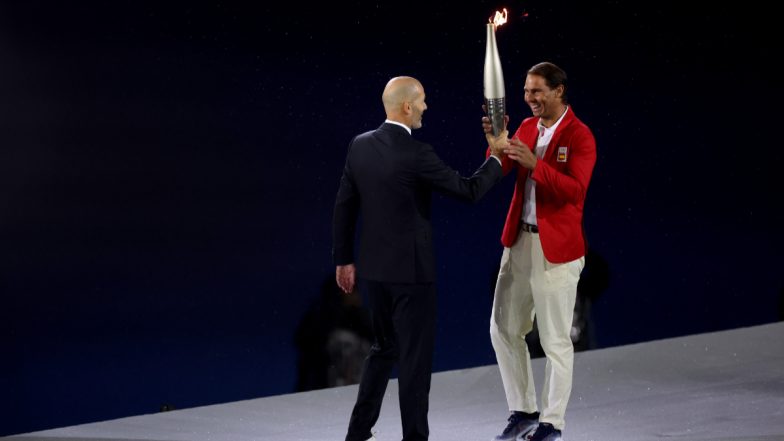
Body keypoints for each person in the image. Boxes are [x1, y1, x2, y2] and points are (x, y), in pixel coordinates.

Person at [333, 76, 505, 441]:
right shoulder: (416, 153)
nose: (426, 107)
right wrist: (496, 157)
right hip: (412, 274)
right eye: (423, 101)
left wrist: (344, 259)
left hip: (374, 273)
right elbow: (469, 190)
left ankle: (357, 432)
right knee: (414, 361)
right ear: (407, 106)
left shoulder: (359, 146)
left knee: (382, 349)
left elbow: (344, 206)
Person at [483, 62, 597, 441]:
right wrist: (497, 144)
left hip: (557, 252)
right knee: (503, 329)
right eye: (526, 91)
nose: (529, 98)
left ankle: (552, 424)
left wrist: (536, 165)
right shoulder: (528, 128)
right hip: (519, 243)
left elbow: (575, 191)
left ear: (559, 90)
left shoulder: (580, 136)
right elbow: (500, 167)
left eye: (537, 91)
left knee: (554, 340)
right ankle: (524, 410)